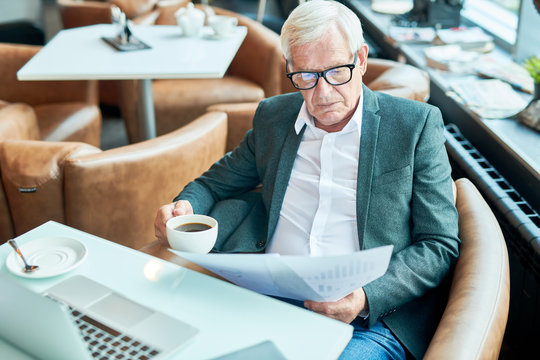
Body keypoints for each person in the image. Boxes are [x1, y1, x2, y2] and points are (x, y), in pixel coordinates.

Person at [155, 1, 460, 358]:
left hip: (367, 319)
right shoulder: (273, 117)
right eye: (306, 76)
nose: (324, 93)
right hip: (265, 297)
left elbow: (438, 244)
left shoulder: (414, 125)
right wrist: (182, 208)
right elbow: (212, 184)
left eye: (336, 71)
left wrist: (364, 297)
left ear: (360, 59)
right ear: (290, 69)